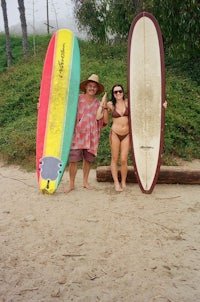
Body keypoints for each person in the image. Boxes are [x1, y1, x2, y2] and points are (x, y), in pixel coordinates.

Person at [65, 74, 109, 193]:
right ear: (85, 87)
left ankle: (85, 182)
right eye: (90, 86)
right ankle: (72, 184)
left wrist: (104, 108)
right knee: (73, 160)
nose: (92, 88)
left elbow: (105, 121)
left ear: (97, 89)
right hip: (77, 136)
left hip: (91, 137)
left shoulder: (98, 103)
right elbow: (65, 109)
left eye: (94, 87)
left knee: (88, 160)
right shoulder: (77, 99)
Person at [107, 84, 130, 192]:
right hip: (115, 133)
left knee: (124, 159)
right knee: (115, 158)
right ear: (113, 94)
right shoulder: (110, 104)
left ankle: (123, 181)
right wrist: (104, 108)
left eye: (120, 91)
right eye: (115, 92)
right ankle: (116, 183)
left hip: (127, 134)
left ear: (123, 92)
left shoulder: (128, 102)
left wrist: (162, 105)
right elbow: (106, 120)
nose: (118, 93)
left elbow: (143, 108)